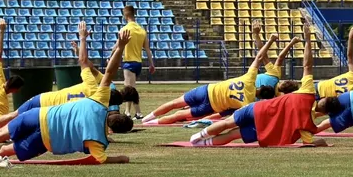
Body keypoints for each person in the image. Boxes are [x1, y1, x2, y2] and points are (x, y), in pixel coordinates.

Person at [0, 29, 134, 165]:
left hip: (42, 112)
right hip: (46, 137)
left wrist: (119, 47)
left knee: (1, 132)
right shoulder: (99, 141)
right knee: (7, 149)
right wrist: (121, 158)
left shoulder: (98, 96)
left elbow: (107, 70)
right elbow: (100, 158)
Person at [190, 20, 338, 147]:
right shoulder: (307, 121)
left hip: (256, 108)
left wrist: (307, 40)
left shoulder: (304, 91)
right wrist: (323, 142)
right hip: (263, 122)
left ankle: (199, 136)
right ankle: (202, 143)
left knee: (228, 123)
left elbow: (304, 65)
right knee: (233, 134)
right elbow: (308, 142)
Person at [0, 22, 127, 136]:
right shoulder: (96, 107)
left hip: (45, 101)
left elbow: (84, 61)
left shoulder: (91, 85)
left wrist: (82, 39)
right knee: (18, 120)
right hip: (49, 110)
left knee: (15, 116)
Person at [143, 34, 278, 125]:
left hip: (207, 90)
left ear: (260, 87)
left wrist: (270, 41)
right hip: (210, 106)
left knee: (174, 103)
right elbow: (232, 116)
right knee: (179, 115)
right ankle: (151, 124)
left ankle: (146, 118)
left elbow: (259, 57)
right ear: (261, 98)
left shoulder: (249, 79)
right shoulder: (247, 103)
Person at [277, 23, 353, 97]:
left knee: (293, 94)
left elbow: (350, 56)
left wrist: (350, 38)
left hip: (318, 86)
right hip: (322, 98)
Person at [120, 5, 154, 121]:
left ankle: (138, 112)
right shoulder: (141, 30)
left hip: (129, 62)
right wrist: (151, 63)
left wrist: (111, 55)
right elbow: (147, 49)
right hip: (138, 63)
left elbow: (118, 45)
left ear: (126, 15)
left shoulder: (125, 29)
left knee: (130, 89)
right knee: (129, 87)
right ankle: (127, 111)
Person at [252, 22, 300, 93]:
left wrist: (292, 42)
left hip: (247, 82)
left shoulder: (274, 75)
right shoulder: (273, 96)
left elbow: (264, 55)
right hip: (247, 92)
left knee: (263, 56)